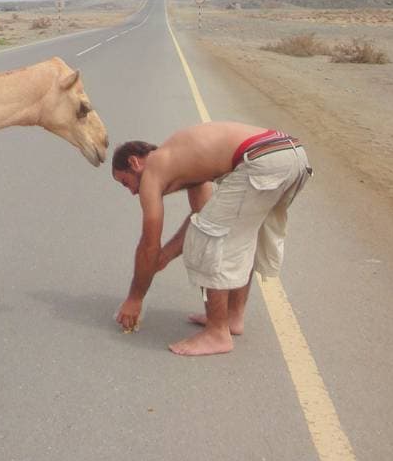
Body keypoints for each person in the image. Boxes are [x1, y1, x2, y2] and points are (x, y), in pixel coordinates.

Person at [110, 121, 311, 356]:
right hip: (291, 154)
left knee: (206, 239)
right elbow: (203, 214)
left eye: (126, 182)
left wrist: (135, 298)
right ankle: (232, 318)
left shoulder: (153, 169)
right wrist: (164, 256)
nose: (132, 192)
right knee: (234, 235)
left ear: (135, 162)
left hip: (264, 159)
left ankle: (217, 333)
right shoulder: (187, 164)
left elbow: (148, 243)